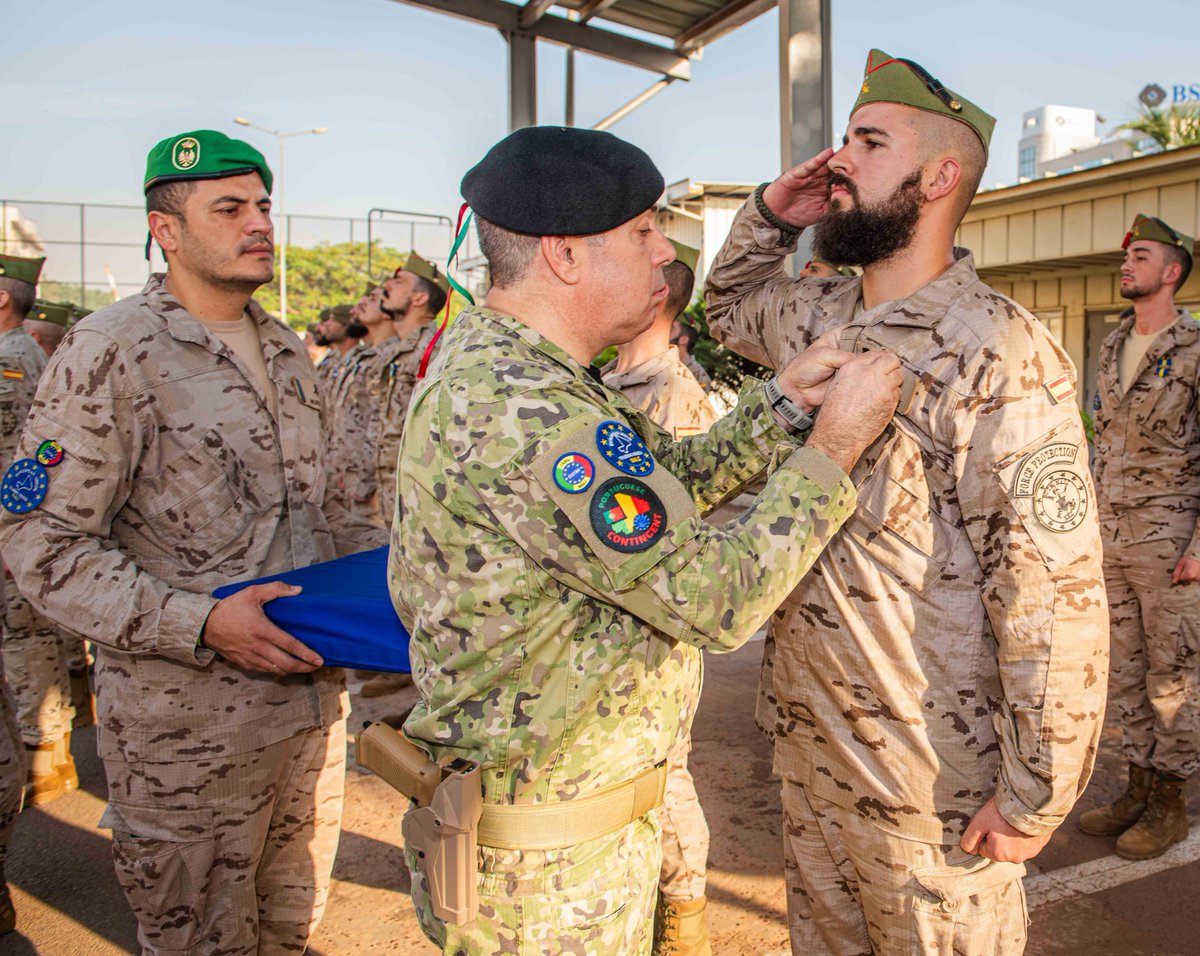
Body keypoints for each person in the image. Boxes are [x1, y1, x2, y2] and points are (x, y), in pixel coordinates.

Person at [390, 125, 904, 955]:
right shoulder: (529, 409)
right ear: (565, 256)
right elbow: (718, 598)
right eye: (642, 232)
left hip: (563, 840)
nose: (663, 251)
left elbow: (666, 486)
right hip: (550, 880)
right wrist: (832, 449)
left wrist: (782, 403)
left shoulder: (529, 375)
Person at [705, 49, 1109, 955]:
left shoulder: (999, 350)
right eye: (845, 138)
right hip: (812, 753)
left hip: (930, 787)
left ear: (940, 177)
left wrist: (1037, 791)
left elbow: (1050, 593)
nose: (840, 159)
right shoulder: (819, 315)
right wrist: (770, 214)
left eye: (870, 142)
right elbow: (726, 307)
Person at [0, 129, 385, 955]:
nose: (260, 224)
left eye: (264, 206)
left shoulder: (286, 351)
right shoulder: (112, 351)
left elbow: (328, 518)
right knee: (201, 942)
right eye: (230, 208)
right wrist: (201, 622)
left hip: (306, 713)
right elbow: (42, 542)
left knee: (290, 932)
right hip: (186, 738)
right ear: (166, 230)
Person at [597, 239, 716, 952]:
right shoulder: (605, 385)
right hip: (600, 637)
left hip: (653, 639)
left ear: (657, 296)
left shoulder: (677, 396)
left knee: (664, 777)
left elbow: (692, 534)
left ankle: (683, 916)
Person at [1080, 213, 1199, 860]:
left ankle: (1169, 805)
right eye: (1127, 257)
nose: (1127, 264)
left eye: (1142, 256)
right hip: (1114, 537)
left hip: (1172, 544)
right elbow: (1103, 446)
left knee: (1172, 675)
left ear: (1172, 272)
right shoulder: (1111, 345)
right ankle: (1137, 788)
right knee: (1125, 673)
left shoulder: (1195, 348)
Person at [0, 262, 78, 808]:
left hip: (15, 518)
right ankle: (48, 750)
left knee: (21, 635)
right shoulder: (23, 353)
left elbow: (17, 457)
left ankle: (44, 755)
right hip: (23, 517)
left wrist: (16, 529)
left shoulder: (9, 359)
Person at [668, 319, 712, 390]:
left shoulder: (699, 376)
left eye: (671, 329)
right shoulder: (656, 362)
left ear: (683, 340)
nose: (665, 333)